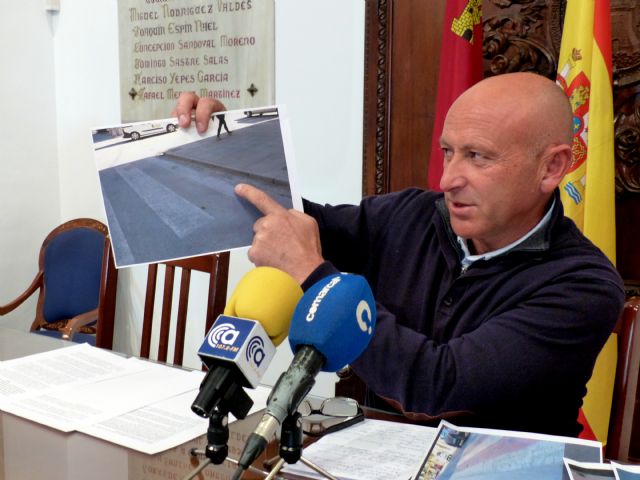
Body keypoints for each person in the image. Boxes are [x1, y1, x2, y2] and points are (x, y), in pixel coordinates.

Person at [174, 72, 625, 437]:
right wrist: (223, 149)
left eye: (477, 156)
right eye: (448, 152)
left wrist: (313, 274)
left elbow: (438, 386)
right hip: (372, 457)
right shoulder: (412, 214)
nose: (448, 179)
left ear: (551, 167)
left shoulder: (583, 286)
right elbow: (303, 224)